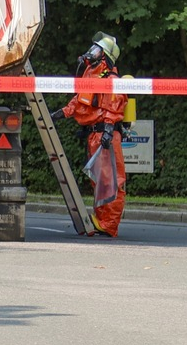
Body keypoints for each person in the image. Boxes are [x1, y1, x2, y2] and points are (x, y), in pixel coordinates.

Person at [56, 32, 128, 237]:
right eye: (93, 48)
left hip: (106, 135)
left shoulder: (111, 79)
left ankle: (110, 224)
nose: (91, 53)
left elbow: (114, 106)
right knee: (99, 181)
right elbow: (80, 101)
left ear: (105, 56)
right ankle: (102, 219)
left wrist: (108, 129)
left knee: (112, 181)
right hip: (95, 135)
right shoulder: (91, 75)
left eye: (96, 50)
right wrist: (61, 113)